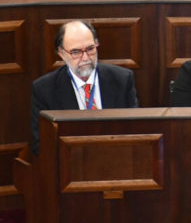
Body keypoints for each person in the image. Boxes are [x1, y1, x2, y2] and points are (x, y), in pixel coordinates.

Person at [30, 20, 138, 154]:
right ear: (61, 53)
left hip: (117, 159)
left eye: (90, 49)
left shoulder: (122, 79)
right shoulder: (44, 89)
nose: (85, 57)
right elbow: (41, 146)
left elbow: (135, 132)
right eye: (76, 52)